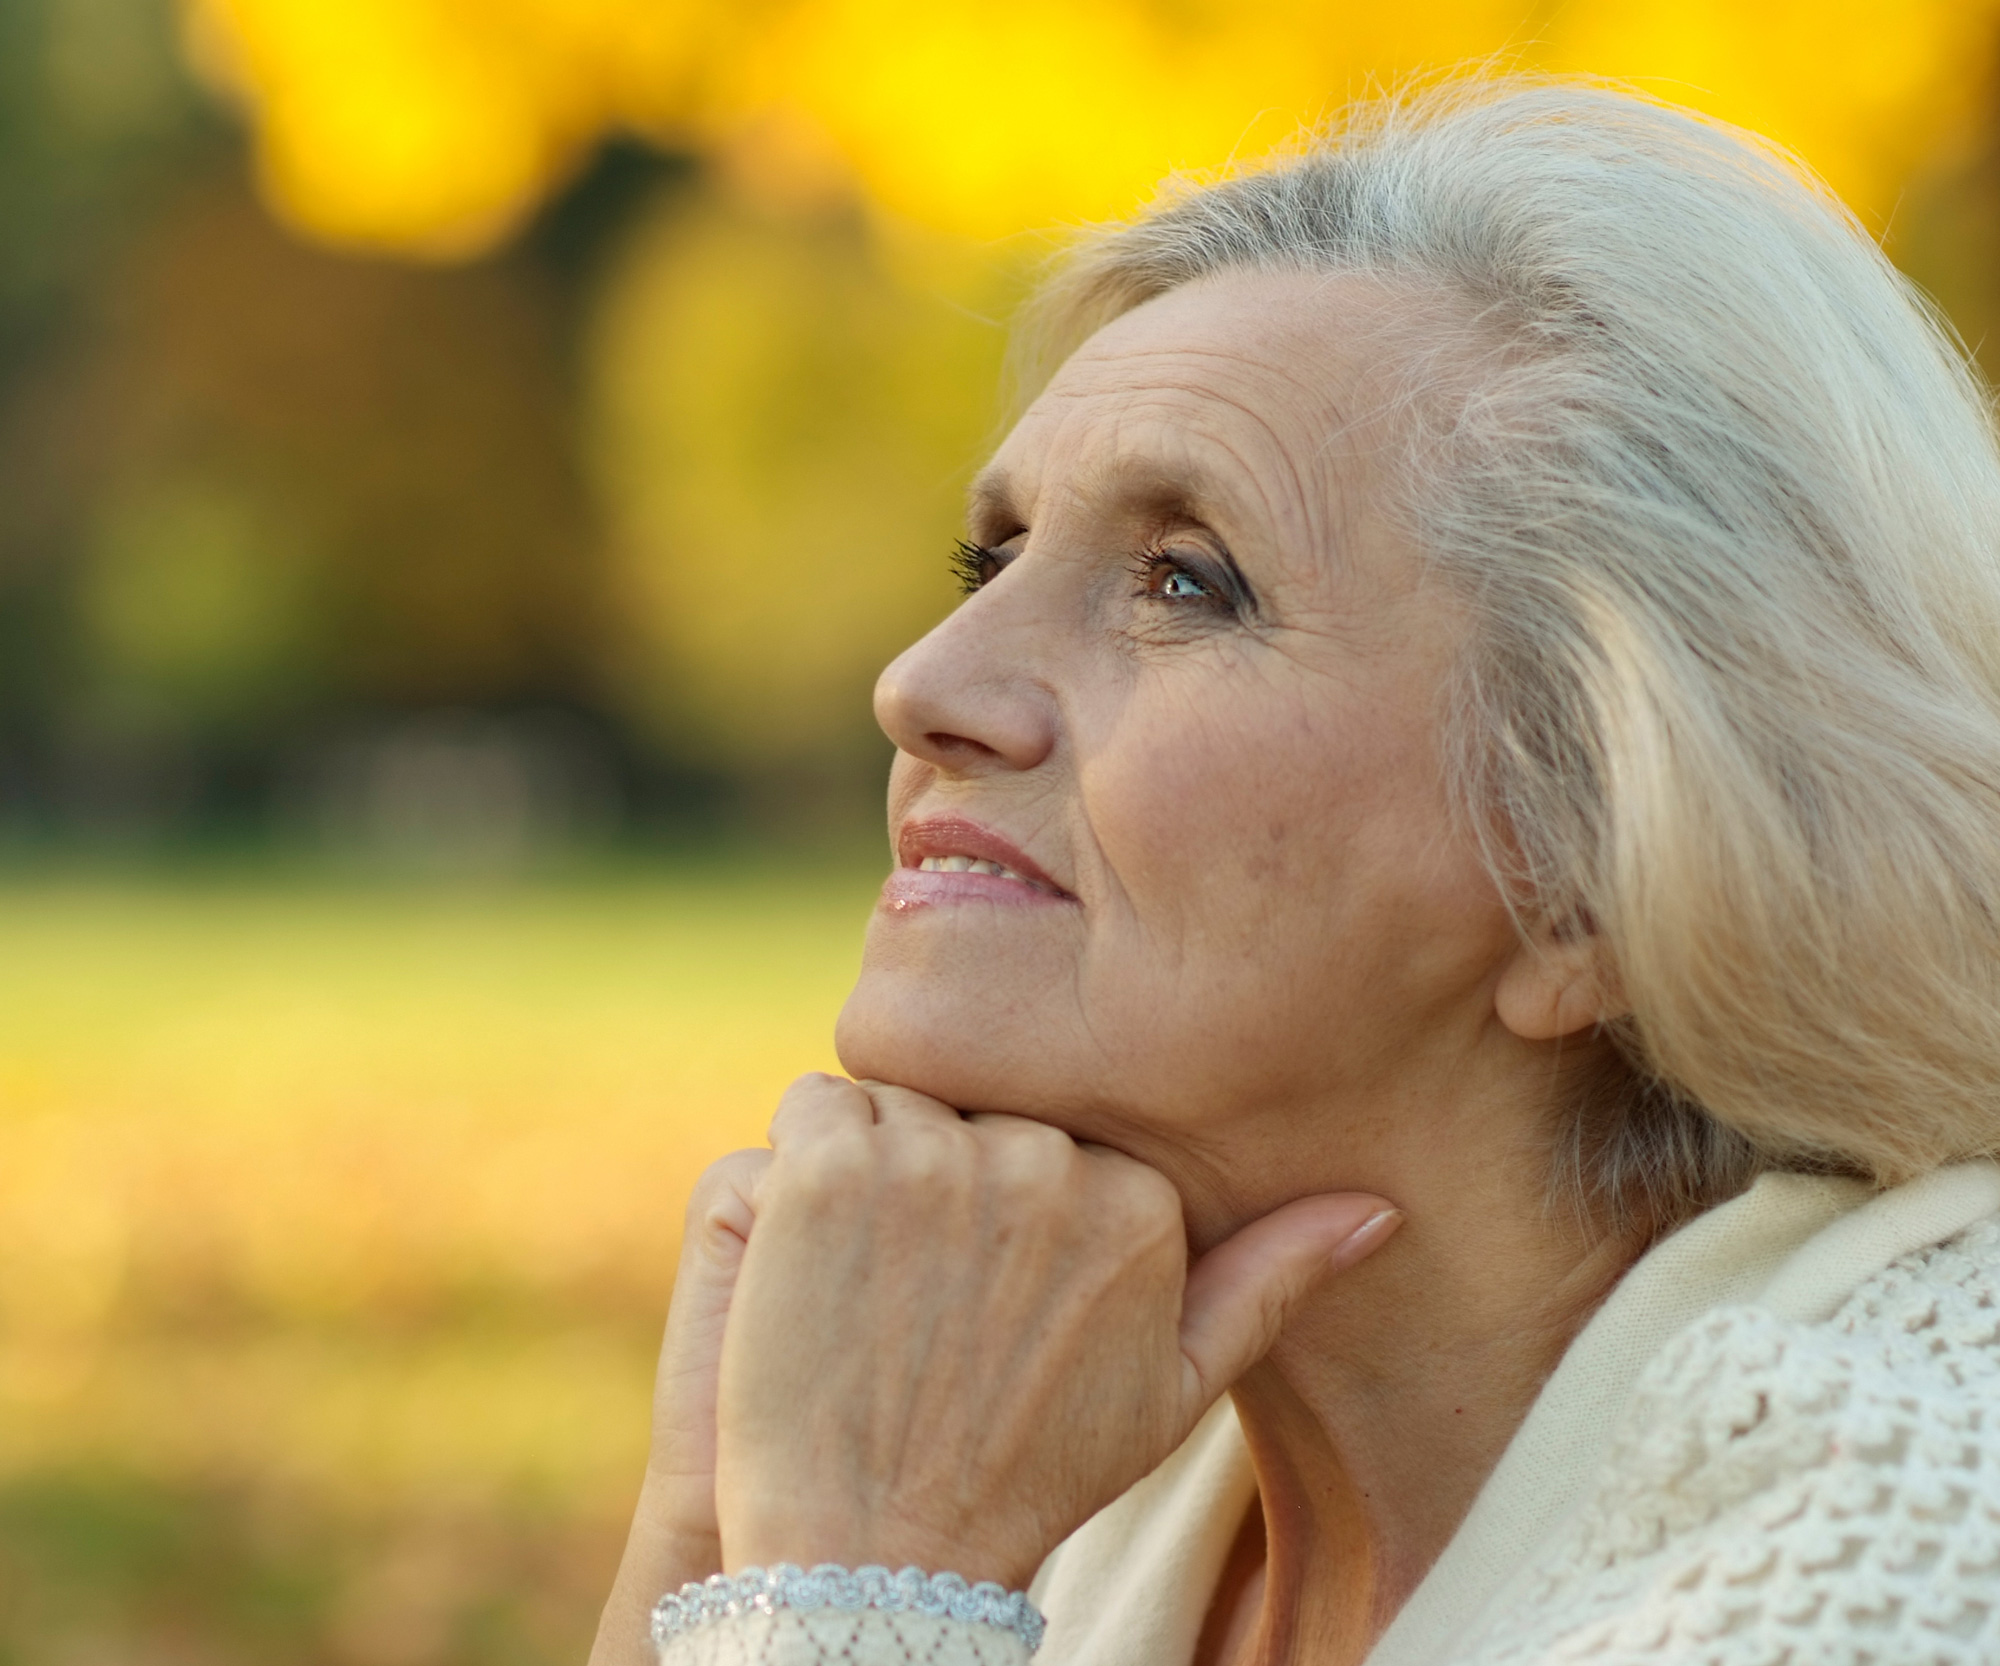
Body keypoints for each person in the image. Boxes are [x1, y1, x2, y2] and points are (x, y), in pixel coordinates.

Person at [591, 75, 2000, 1666]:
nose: (923, 682)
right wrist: (707, 1528)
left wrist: (856, 1593)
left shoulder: (1907, 1524)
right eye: (989, 561)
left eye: (1184, 583)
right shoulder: (1023, 1400)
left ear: (1586, 865)